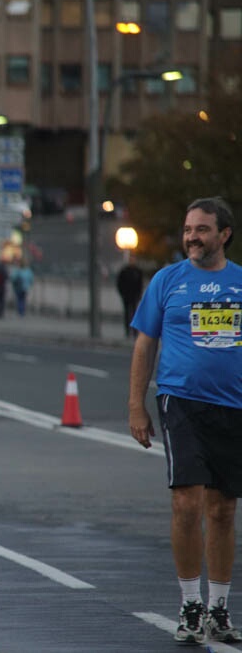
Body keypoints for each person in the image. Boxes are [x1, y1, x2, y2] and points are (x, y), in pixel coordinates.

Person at [128, 197, 242, 645]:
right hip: (181, 402)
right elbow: (144, 344)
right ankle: (189, 605)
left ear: (224, 234)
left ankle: (218, 608)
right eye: (188, 229)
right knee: (186, 503)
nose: (192, 237)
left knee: (223, 509)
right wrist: (136, 405)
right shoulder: (167, 280)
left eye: (202, 229)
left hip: (233, 407)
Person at [117, 256, 145, 338]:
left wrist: (139, 294)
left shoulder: (137, 271)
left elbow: (140, 284)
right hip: (127, 296)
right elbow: (120, 283)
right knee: (127, 314)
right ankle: (128, 331)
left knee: (134, 313)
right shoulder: (125, 271)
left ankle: (134, 331)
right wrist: (122, 294)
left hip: (134, 296)